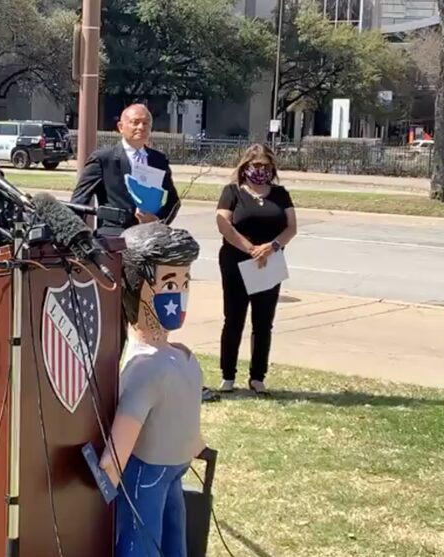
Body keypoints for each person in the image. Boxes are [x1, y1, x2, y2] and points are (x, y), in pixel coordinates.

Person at [99, 221, 206, 557]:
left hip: (145, 472)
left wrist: (98, 483)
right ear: (135, 286)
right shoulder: (185, 359)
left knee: (140, 540)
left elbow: (115, 457)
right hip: (177, 465)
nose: (178, 297)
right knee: (175, 535)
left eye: (183, 282)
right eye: (169, 282)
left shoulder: (144, 369)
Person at [215, 143, 297, 395]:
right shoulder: (232, 192)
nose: (260, 170)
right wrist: (251, 248)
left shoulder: (280, 194)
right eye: (255, 165)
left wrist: (270, 247)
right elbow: (224, 226)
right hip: (236, 261)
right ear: (245, 167)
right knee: (234, 319)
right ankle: (228, 376)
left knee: (263, 322)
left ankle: (257, 377)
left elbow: (291, 227)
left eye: (265, 165)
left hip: (269, 262)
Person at [70, 104, 181, 237]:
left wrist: (159, 221)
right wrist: (79, 238)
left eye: (146, 123)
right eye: (135, 123)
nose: (141, 127)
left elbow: (174, 199)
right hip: (114, 238)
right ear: (121, 127)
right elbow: (79, 202)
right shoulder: (103, 159)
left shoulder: (158, 160)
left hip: (149, 236)